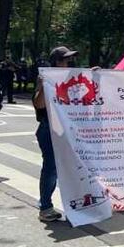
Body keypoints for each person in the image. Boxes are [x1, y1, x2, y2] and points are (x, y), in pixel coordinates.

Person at [32, 46, 80, 221]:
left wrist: (97, 76)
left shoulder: (72, 78)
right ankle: (45, 207)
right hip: (49, 129)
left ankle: (78, 204)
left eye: (70, 60)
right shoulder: (45, 78)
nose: (69, 63)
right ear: (56, 62)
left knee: (71, 168)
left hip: (68, 129)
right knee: (51, 168)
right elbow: (39, 105)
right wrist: (45, 84)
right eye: (65, 60)